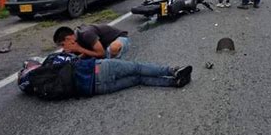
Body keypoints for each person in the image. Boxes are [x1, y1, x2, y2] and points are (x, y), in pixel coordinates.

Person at [18, 52, 193, 98]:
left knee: (138, 79)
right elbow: (71, 58)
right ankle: (172, 71)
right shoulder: (50, 62)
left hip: (97, 89)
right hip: (99, 69)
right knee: (138, 68)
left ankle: (174, 83)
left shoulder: (43, 90)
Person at [53, 24, 131, 59]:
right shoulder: (75, 39)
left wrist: (79, 49)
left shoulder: (86, 34)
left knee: (113, 48)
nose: (64, 47)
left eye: (63, 44)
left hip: (119, 38)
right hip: (103, 47)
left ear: (68, 39)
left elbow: (101, 53)